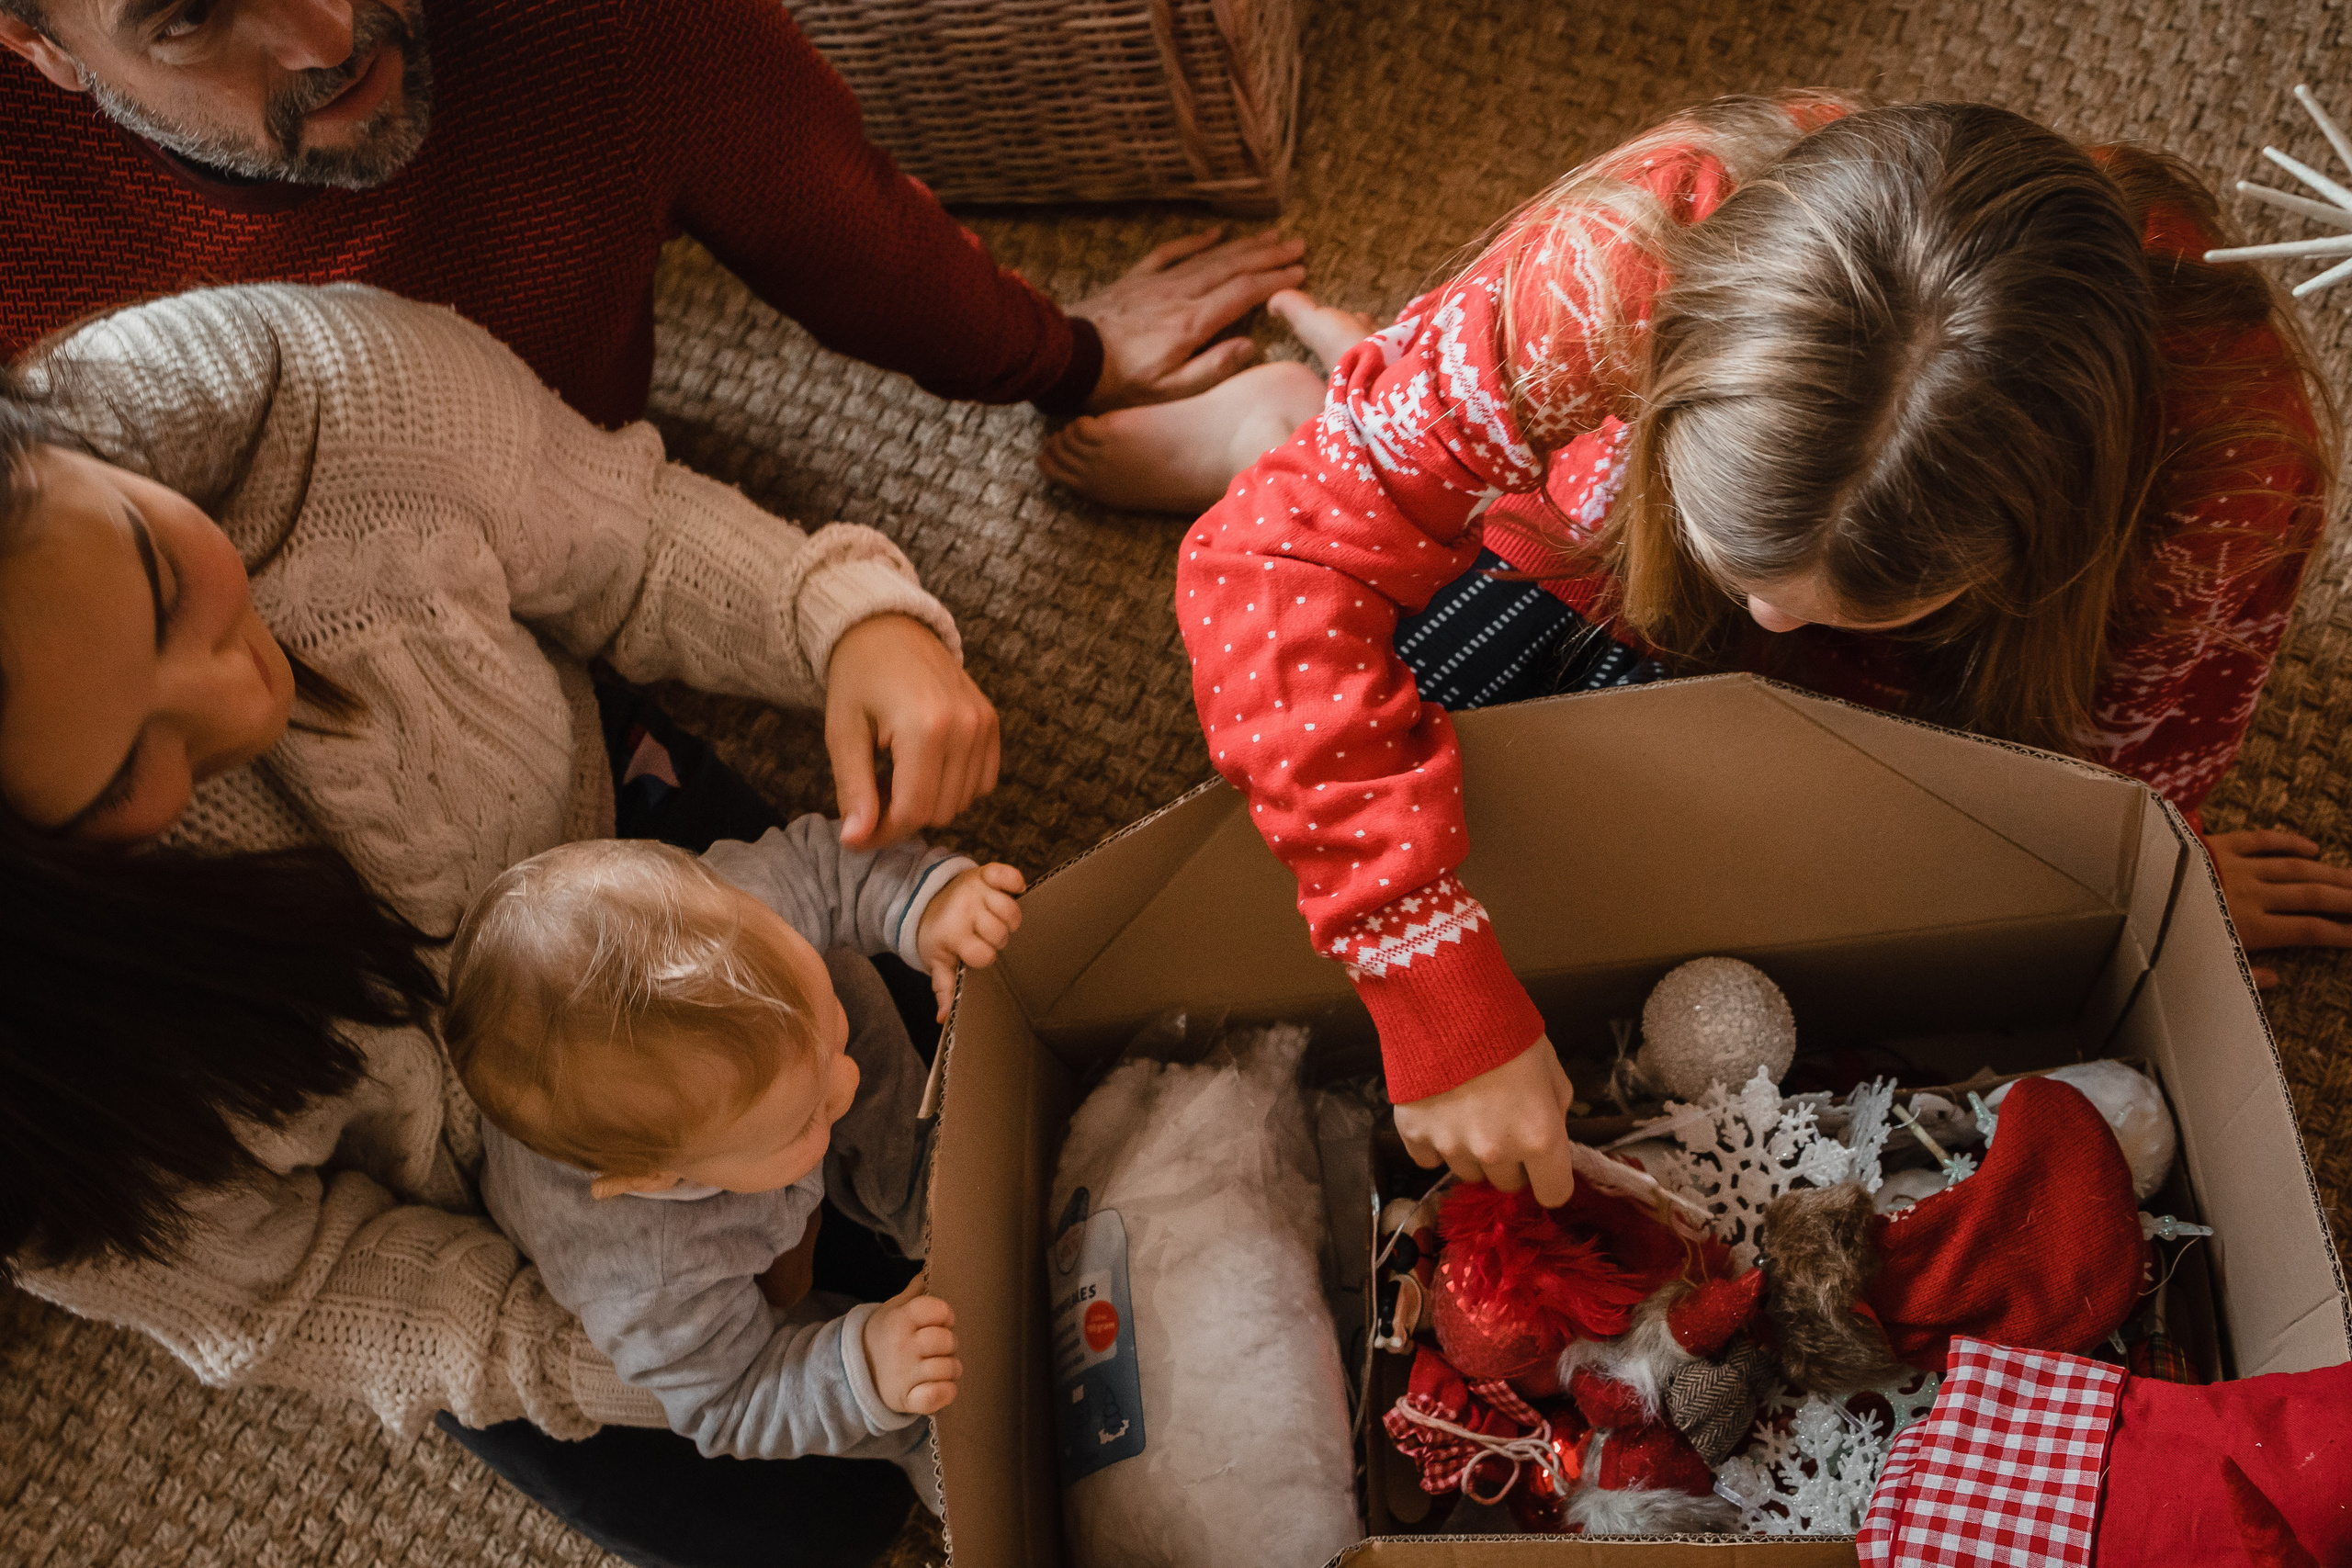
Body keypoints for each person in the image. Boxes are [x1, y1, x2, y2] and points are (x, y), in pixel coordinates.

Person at [1103, 95, 2342, 1206]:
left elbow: (2096, 774)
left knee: (1888, 976)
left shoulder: (2231, 469)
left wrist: (2142, 848)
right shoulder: (1621, 267)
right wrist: (1425, 961)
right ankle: (1344, 423)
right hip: (1604, 554)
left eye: (1858, 595)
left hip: (1945, 697)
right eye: (1751, 564)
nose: (1771, 626)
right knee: (1321, 784)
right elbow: (1268, 566)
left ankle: (1384, 422)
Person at [0, 279, 1011, 1566]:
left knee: (969, 1082)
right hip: (495, 1230)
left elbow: (626, 535)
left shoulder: (296, 392)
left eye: (153, 573)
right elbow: (296, 1288)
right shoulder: (51, 1096)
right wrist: (612, 1346)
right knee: (797, 1509)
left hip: (639, 887)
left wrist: (844, 619)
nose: (239, 695)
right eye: (125, 768)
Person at [0, 0, 1304, 454]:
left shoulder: (604, 22)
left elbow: (833, 216)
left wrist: (1061, 357)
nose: (333, 35)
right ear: (39, 48)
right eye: (190, 14)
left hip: (590, 524)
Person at [445, 829, 1023, 1509]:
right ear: (663, 1177)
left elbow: (822, 866)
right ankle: (924, 1437)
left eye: (831, 1036)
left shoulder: (740, 911)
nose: (847, 1083)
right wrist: (866, 1367)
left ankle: (918, 1188)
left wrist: (929, 902)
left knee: (841, 980)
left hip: (739, 1131)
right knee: (856, 1383)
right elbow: (733, 1398)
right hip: (713, 1285)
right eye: (806, 1118)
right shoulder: (652, 1276)